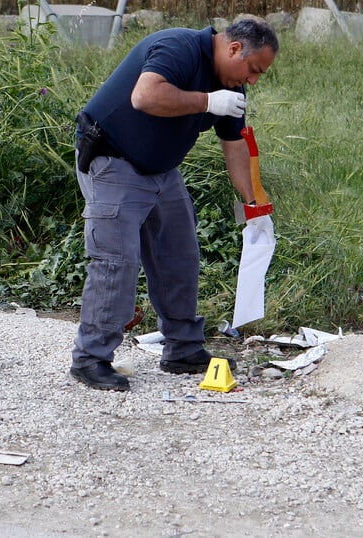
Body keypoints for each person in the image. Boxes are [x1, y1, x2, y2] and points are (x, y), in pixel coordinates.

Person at [70, 19, 279, 391]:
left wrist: (251, 204)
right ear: (233, 49)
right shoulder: (178, 47)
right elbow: (145, 96)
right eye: (253, 70)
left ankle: (182, 350)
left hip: (162, 171)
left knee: (179, 256)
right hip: (113, 160)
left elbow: (234, 146)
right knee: (116, 262)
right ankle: (91, 360)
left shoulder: (228, 86)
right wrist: (206, 101)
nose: (253, 81)